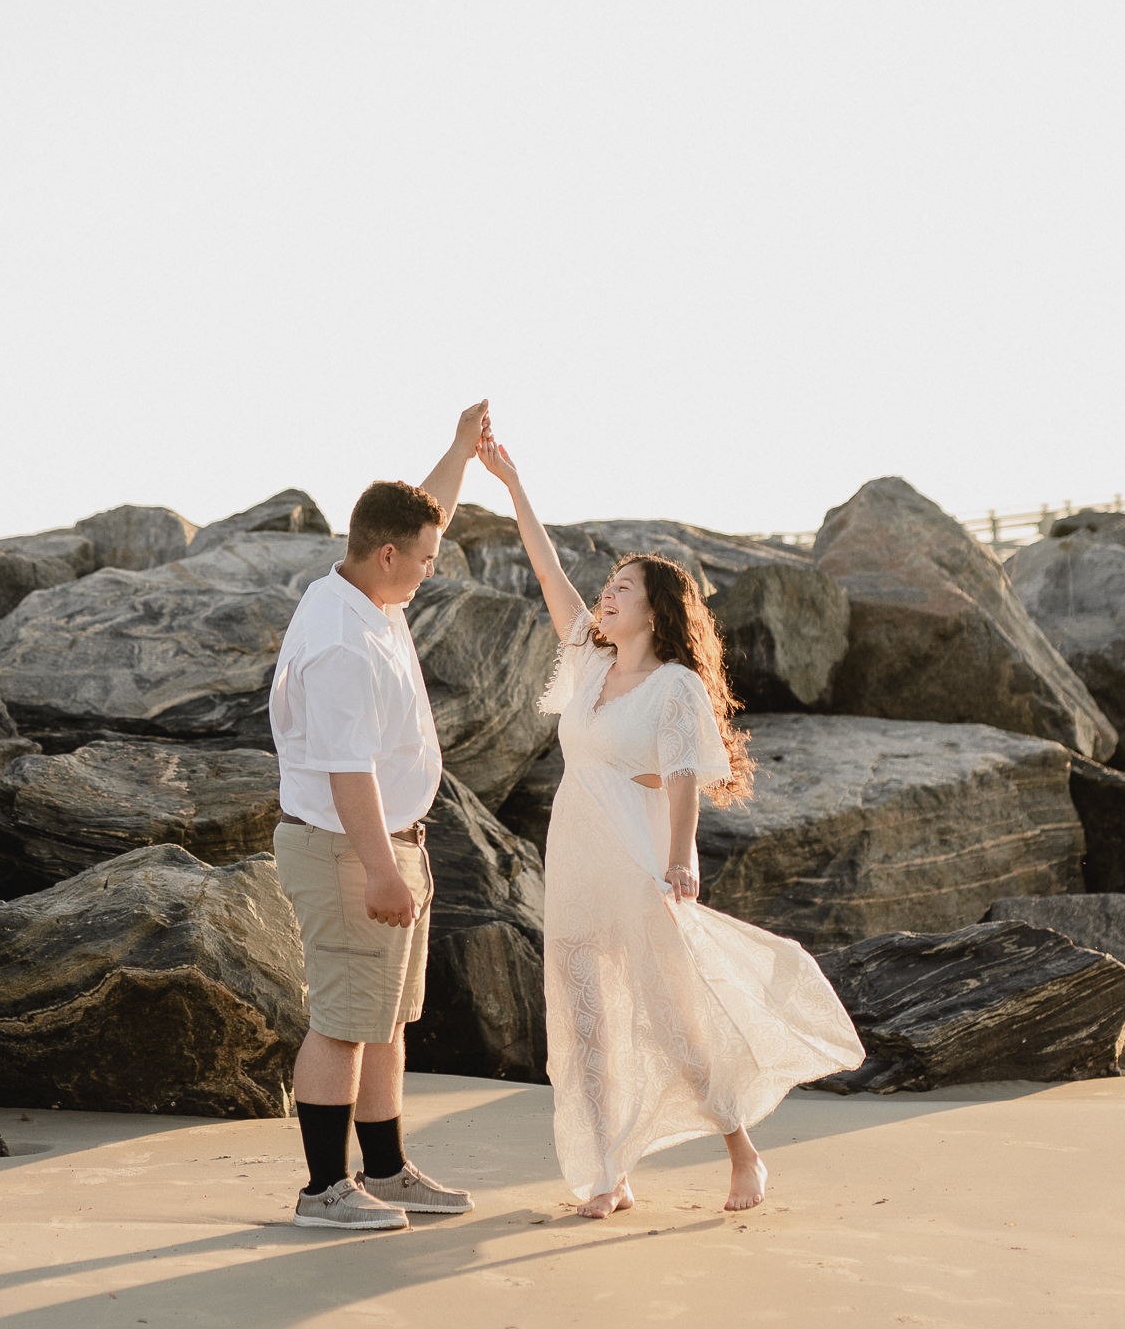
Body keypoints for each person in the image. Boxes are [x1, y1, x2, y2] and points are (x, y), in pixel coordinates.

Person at [475, 430, 865, 1218]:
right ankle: (608, 1172)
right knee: (587, 1022)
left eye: (623, 586)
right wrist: (512, 484)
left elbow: (683, 776)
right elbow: (547, 570)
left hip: (637, 857)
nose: (606, 595)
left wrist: (681, 856)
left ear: (656, 608)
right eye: (608, 585)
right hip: (576, 861)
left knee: (671, 1020)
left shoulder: (676, 687)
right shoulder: (588, 664)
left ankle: (741, 1154)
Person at [265, 401, 491, 1231]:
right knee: (344, 1023)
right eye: (426, 560)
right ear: (386, 554)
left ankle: (387, 1171)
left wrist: (459, 452)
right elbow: (345, 769)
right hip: (348, 849)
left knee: (387, 1019)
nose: (434, 571)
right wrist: (384, 871)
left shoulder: (371, 595)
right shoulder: (341, 642)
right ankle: (324, 1190)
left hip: (390, 843)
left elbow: (425, 511)